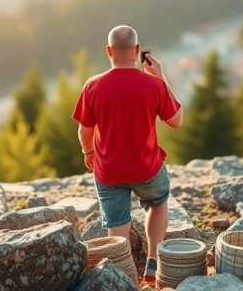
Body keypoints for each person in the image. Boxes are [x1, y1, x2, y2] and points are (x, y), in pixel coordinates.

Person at [72, 25, 183, 287]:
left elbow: (84, 131)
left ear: (109, 51)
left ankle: (129, 278)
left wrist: (88, 152)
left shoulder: (93, 85)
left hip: (109, 172)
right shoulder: (154, 84)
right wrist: (162, 77)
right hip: (147, 168)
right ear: (136, 50)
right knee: (158, 202)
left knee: (117, 225)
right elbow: (176, 121)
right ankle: (154, 259)